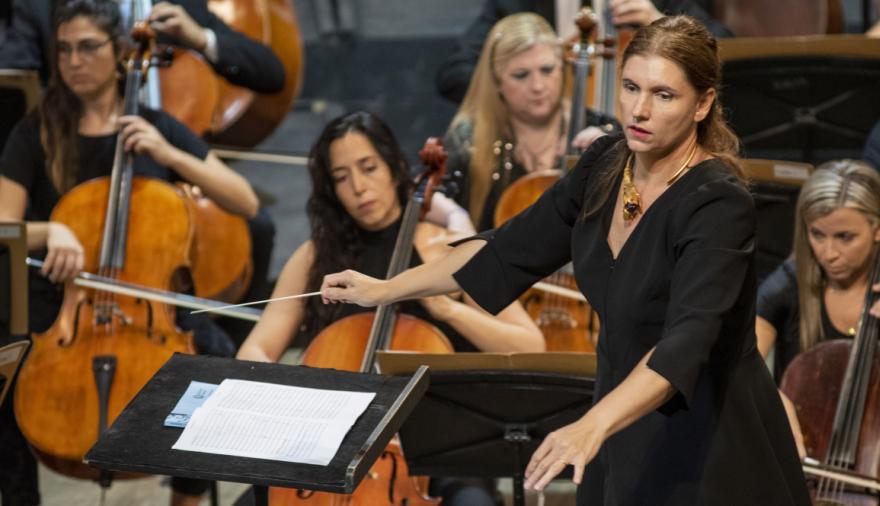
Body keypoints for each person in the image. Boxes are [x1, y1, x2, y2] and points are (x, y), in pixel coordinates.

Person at [321, 16, 810, 505]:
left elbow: (685, 342)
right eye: (631, 87)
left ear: (702, 104)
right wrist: (386, 288)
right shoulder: (605, 164)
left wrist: (592, 425)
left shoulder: (717, 203)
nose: (639, 110)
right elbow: (506, 246)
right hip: (617, 419)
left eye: (663, 95)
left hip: (708, 437)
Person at [0, 1, 258, 505]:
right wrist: (50, 231)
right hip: (60, 302)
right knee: (7, 378)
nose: (74, 61)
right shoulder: (37, 131)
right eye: (64, 50)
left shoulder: (153, 126)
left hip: (144, 300)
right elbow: (4, 225)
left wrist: (168, 153)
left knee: (216, 362)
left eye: (88, 48)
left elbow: (244, 201)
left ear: (120, 51)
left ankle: (185, 497)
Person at [236, 110, 543, 505]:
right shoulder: (315, 257)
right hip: (330, 445)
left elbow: (529, 344)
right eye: (341, 177)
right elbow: (255, 349)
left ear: (395, 169)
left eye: (369, 168)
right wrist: (297, 400)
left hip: (433, 447)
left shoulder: (444, 250)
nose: (359, 187)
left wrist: (450, 311)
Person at [445, 12, 616, 231]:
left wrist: (615, 160)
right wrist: (452, 214)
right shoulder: (469, 141)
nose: (537, 86)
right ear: (497, 81)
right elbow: (428, 195)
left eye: (547, 70)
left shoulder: (603, 130)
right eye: (521, 75)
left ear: (562, 67)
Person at [756, 159, 880, 460]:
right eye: (817, 234)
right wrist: (771, 399)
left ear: (877, 229)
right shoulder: (788, 284)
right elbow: (743, 360)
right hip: (804, 461)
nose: (829, 253)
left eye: (845, 237)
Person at [435, 0, 732, 104]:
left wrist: (664, 24)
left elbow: (729, 51)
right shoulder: (519, 3)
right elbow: (454, 73)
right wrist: (527, 87)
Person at [0, 0, 286, 93]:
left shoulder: (172, 4)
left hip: (171, 158)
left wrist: (201, 38)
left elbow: (272, 75)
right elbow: (15, 85)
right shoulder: (38, 6)